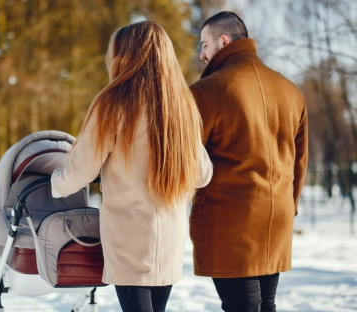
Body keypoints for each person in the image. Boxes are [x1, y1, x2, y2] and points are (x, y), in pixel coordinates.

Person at [51, 21, 213, 312]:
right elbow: (202, 174)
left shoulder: (113, 104)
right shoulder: (182, 106)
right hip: (169, 242)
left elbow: (79, 173)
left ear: (124, 56)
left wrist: (54, 181)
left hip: (130, 240)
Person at [189, 11, 308, 312]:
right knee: (266, 305)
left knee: (241, 307)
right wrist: (287, 206)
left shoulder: (207, 91)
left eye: (204, 44)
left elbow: (188, 160)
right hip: (275, 221)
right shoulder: (292, 91)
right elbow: (300, 162)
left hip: (229, 225)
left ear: (223, 41)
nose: (202, 54)